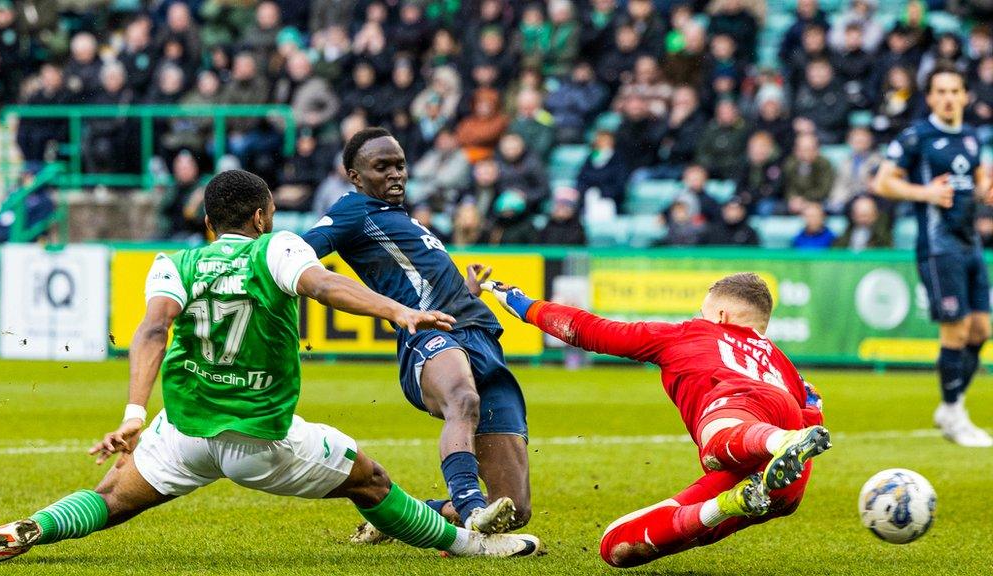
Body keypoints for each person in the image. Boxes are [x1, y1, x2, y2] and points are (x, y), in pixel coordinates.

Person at [0, 170, 541, 563]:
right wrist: (400, 310)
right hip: (261, 439)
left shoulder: (173, 262)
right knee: (371, 482)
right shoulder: (275, 249)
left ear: (206, 221)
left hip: (182, 432)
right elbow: (324, 284)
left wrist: (133, 412)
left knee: (107, 499)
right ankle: (471, 544)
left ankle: (23, 529)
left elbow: (152, 329)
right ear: (261, 215)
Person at [478, 273, 830, 567]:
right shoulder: (782, 363)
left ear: (721, 315)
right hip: (780, 479)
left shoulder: (687, 333)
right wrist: (810, 409)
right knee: (616, 546)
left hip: (742, 418)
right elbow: (811, 411)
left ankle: (776, 442)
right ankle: (726, 504)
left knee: (717, 441)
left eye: (703, 311)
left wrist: (525, 306)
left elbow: (590, 330)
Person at [301, 128, 536, 540]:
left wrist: (467, 292)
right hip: (427, 332)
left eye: (400, 165)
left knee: (515, 512)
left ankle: (410, 516)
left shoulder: (400, 218)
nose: (396, 174)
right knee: (462, 398)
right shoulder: (353, 209)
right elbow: (297, 253)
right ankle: (470, 503)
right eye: (382, 167)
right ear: (354, 176)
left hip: (479, 334)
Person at [874, 64, 993, 447]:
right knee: (955, 329)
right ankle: (954, 411)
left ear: (964, 96)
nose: (947, 98)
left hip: (969, 243)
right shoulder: (916, 137)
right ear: (930, 98)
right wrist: (924, 193)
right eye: (939, 91)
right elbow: (883, 182)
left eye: (953, 91)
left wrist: (985, 189)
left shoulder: (973, 138)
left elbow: (977, 182)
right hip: (938, 248)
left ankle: (951, 407)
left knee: (981, 331)